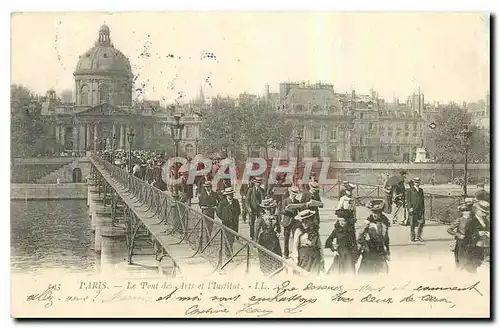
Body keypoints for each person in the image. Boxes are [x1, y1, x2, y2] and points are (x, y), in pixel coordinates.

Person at [357, 199, 390, 275]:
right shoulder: (367, 222)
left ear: (381, 213)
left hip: (380, 250)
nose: (375, 214)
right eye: (373, 212)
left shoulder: (384, 223)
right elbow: (360, 236)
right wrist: (359, 249)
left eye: (377, 212)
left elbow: (386, 238)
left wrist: (387, 251)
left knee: (383, 271)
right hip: (369, 250)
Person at [291, 209, 324, 274]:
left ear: (311, 221)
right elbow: (295, 245)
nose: (304, 224)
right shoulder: (299, 231)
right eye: (302, 221)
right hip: (304, 255)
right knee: (304, 274)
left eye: (306, 221)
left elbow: (319, 245)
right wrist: (295, 258)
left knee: (315, 274)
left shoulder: (315, 230)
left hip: (315, 255)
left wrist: (322, 258)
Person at [256, 198, 283, 275]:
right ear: (264, 209)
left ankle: (275, 270)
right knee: (265, 254)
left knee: (275, 254)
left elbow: (278, 228)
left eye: (270, 209)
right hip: (264, 238)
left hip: (273, 238)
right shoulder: (261, 218)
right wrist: (255, 241)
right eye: (266, 209)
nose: (268, 210)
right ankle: (267, 271)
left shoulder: (275, 217)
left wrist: (278, 232)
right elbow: (257, 230)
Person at [462, 201, 490, 273]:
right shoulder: (471, 221)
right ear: (476, 210)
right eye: (482, 211)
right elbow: (466, 236)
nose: (484, 214)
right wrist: (478, 234)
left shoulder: (486, 221)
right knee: (474, 270)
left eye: (486, 212)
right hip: (474, 250)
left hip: (485, 249)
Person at [447, 200, 474, 270]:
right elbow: (449, 229)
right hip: (461, 243)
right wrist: (458, 234)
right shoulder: (459, 220)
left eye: (468, 211)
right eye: (465, 211)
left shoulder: (473, 220)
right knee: (459, 260)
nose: (467, 213)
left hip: (470, 243)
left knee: (470, 261)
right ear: (462, 212)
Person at [216, 186, 241, 255]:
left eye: (231, 194)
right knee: (227, 239)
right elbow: (218, 212)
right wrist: (224, 218)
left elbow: (239, 212)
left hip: (234, 224)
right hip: (226, 224)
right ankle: (228, 254)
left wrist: (235, 218)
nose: (230, 195)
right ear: (226, 195)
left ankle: (229, 252)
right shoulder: (222, 203)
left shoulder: (236, 202)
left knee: (232, 239)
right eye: (229, 194)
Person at [280, 186, 302, 258]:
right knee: (286, 238)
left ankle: (295, 253)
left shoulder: (297, 201)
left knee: (296, 238)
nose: (294, 195)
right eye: (293, 194)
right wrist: (287, 210)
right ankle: (286, 254)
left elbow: (300, 210)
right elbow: (282, 211)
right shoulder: (285, 201)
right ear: (289, 193)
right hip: (287, 222)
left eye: (295, 194)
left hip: (295, 222)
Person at [245, 176, 267, 241]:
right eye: (257, 182)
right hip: (252, 209)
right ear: (254, 183)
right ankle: (252, 236)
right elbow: (247, 200)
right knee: (252, 223)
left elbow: (265, 199)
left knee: (260, 223)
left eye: (259, 183)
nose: (258, 184)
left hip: (260, 209)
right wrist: (249, 208)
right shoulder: (250, 190)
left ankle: (259, 236)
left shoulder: (262, 190)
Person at [406, 177, 425, 242]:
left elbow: (422, 200)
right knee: (412, 224)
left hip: (420, 210)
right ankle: (412, 237)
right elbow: (408, 200)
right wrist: (410, 208)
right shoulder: (409, 190)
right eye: (416, 182)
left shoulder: (421, 190)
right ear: (414, 183)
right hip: (412, 209)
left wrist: (423, 208)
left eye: (418, 182)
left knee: (421, 223)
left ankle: (418, 236)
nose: (417, 183)